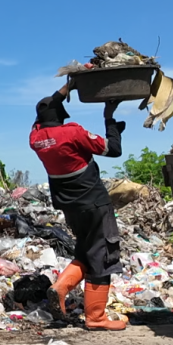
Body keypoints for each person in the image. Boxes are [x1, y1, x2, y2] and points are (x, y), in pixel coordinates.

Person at [29, 82, 127, 331]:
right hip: (94, 203)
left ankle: (60, 287)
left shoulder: (36, 138)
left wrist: (68, 86)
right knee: (103, 256)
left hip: (70, 207)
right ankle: (96, 318)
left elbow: (45, 109)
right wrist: (110, 121)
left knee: (86, 251)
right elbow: (113, 150)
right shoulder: (72, 132)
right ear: (61, 117)